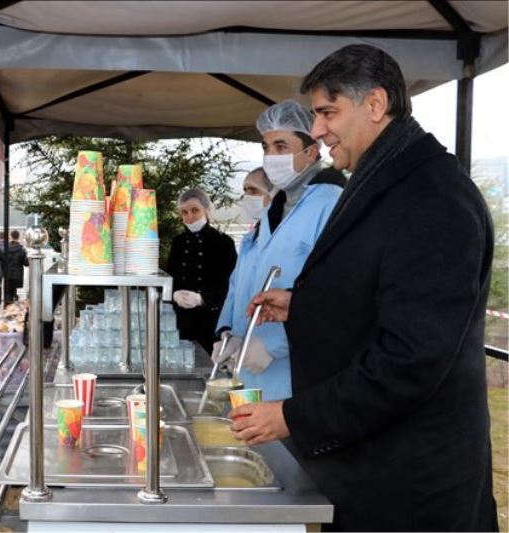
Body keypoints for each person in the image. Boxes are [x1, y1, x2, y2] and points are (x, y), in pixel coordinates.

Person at [233, 45, 497, 531]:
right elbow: (378, 291)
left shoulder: (434, 198)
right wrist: (304, 307)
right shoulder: (387, 177)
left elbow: (410, 359)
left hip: (411, 489)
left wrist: (294, 417)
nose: (317, 130)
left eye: (327, 112)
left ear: (375, 104)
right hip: (372, 469)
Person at [213, 101, 344, 401]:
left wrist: (274, 345)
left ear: (311, 152)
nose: (271, 156)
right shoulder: (276, 208)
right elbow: (245, 278)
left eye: (281, 146)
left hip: (296, 373)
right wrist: (230, 332)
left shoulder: (330, 203)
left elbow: (335, 294)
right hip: (250, 370)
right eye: (266, 147)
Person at [166, 188, 237, 355]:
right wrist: (174, 294)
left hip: (211, 322)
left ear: (207, 210)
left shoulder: (223, 243)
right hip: (181, 323)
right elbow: (170, 277)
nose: (189, 217)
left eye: (195, 210)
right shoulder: (178, 242)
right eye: (184, 212)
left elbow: (232, 287)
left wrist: (202, 299)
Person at [4, 230, 28, 304]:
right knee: (14, 289)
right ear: (18, 237)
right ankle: (13, 301)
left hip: (8, 273)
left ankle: (9, 303)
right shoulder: (22, 250)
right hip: (17, 274)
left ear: (11, 236)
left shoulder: (6, 248)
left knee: (9, 291)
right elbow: (26, 263)